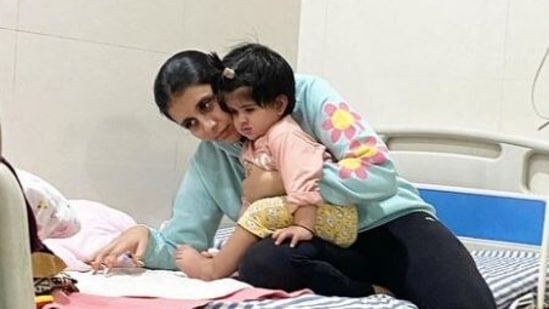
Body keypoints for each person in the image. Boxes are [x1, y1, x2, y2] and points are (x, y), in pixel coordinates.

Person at [91, 43, 496, 308]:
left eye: (209, 104)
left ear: (225, 83)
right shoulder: (210, 160)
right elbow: (187, 243)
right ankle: (374, 293)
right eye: (191, 123)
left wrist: (281, 182)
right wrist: (147, 239)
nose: (210, 126)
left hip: (392, 224)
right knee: (262, 262)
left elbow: (378, 174)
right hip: (324, 248)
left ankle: (403, 279)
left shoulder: (304, 96)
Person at [173, 46, 358, 281]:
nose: (242, 121)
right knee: (258, 227)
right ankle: (225, 263)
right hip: (312, 220)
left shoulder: (284, 134)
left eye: (249, 110)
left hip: (335, 217)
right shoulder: (252, 142)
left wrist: (304, 225)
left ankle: (212, 270)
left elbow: (303, 178)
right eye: (235, 112)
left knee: (261, 212)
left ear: (279, 105)